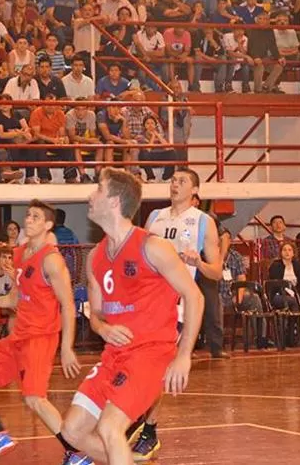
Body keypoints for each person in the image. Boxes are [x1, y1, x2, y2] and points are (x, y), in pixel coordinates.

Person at [60, 168, 203, 465]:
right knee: (71, 431)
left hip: (151, 354)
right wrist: (102, 329)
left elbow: (195, 296)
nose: (90, 195)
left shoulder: (152, 246)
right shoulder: (96, 257)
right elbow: (96, 313)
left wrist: (184, 356)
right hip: (115, 355)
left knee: (111, 427)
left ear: (114, 201)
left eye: (97, 189)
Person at [0, 200, 80, 463]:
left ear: (48, 225)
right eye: (28, 215)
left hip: (41, 337)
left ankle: (75, 454)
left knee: (34, 399)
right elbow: (15, 299)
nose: (29, 220)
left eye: (36, 217)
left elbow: (68, 304)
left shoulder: (52, 260)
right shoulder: (19, 254)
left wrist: (67, 348)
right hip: (18, 336)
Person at [134, 167, 223, 460]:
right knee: (137, 363)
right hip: (146, 302)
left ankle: (149, 429)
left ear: (195, 190)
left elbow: (217, 272)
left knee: (159, 368)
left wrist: (198, 261)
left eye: (182, 181)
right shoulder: (154, 217)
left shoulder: (203, 222)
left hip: (176, 303)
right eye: (173, 180)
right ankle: (137, 419)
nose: (175, 184)